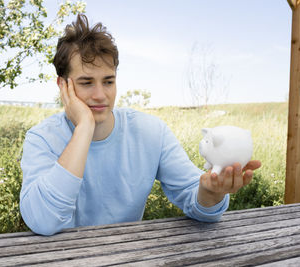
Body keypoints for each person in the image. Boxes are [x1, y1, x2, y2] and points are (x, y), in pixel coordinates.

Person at [19, 14, 261, 236]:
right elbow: (43, 221)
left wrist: (211, 193)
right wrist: (84, 128)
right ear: (63, 86)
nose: (100, 94)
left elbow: (199, 204)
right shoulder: (41, 138)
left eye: (108, 81)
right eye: (86, 82)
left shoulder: (151, 132)